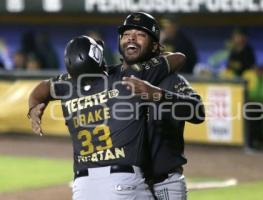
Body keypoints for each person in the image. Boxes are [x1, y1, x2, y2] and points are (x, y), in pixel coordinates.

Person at [28, 20, 185, 200]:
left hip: (82, 188)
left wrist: (33, 107)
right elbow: (179, 58)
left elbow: (42, 88)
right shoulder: (128, 76)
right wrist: (155, 56)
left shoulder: (66, 86)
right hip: (123, 183)